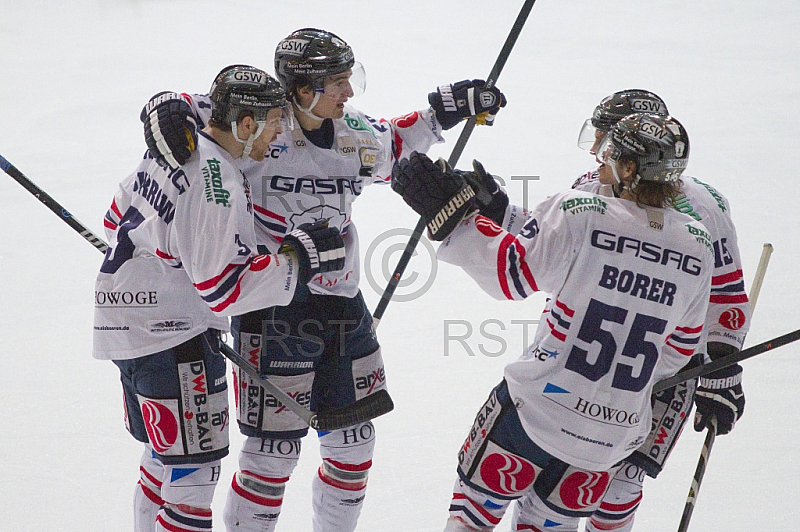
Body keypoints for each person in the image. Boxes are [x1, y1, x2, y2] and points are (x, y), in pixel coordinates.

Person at [138, 28, 506, 532]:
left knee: (355, 445)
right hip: (273, 307)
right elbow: (205, 112)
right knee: (274, 452)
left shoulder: (352, 131)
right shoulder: (261, 130)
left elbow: (397, 141)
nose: (348, 92)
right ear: (303, 87)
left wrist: (449, 107)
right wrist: (168, 103)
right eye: (337, 82)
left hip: (342, 305)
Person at [391, 112, 714, 532]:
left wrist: (458, 216)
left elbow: (510, 273)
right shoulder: (698, 245)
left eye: (610, 153)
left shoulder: (581, 210)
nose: (599, 161)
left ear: (630, 168)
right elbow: (676, 354)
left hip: (534, 409)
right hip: (608, 438)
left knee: (470, 520)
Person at [93, 65, 345, 532]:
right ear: (245, 125)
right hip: (171, 336)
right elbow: (223, 288)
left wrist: (160, 253)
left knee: (164, 459)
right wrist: (297, 259)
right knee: (194, 477)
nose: (279, 135)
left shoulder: (175, 147)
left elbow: (114, 222)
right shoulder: (219, 181)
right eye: (273, 123)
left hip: (122, 325)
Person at [565, 90, 750, 532]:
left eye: (604, 138)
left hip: (666, 370)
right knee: (565, 479)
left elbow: (726, 296)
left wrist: (723, 372)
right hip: (587, 361)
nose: (594, 150)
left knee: (622, 484)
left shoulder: (704, 207)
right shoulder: (587, 190)